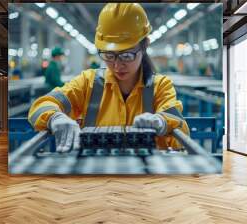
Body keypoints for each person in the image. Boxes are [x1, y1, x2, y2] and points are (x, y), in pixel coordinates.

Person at [29, 3, 189, 152]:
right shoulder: (87, 82)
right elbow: (41, 105)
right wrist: (55, 117)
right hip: (95, 172)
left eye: (126, 55)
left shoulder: (160, 86)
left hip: (147, 177)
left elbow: (179, 126)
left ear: (145, 45)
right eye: (109, 55)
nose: (118, 65)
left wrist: (162, 122)